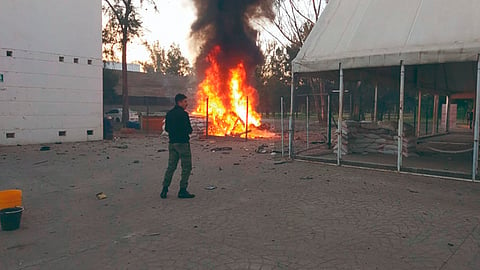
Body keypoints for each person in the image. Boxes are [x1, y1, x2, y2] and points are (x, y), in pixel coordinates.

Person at [161, 94, 195, 199]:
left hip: (172, 143)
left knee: (171, 167)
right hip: (183, 143)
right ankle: (182, 190)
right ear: (179, 102)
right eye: (185, 102)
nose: (186, 104)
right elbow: (189, 129)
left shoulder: (169, 114)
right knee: (186, 167)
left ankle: (164, 189)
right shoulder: (183, 114)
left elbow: (166, 129)